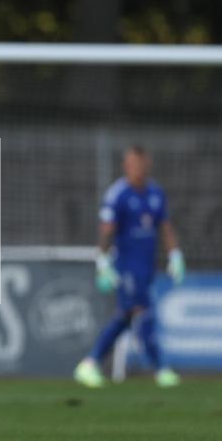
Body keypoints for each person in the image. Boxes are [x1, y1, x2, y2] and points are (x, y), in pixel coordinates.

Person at [74, 145, 185, 389]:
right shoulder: (118, 195)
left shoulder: (156, 193)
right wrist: (102, 261)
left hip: (146, 266)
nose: (138, 169)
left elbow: (165, 227)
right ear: (126, 166)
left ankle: (89, 363)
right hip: (125, 266)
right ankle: (161, 369)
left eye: (141, 164)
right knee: (142, 311)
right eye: (133, 164)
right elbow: (106, 231)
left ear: (148, 165)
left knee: (124, 317)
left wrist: (175, 255)